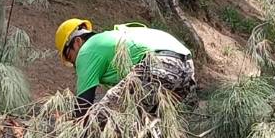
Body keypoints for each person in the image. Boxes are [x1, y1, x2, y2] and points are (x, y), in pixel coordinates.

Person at [55, 18, 195, 114]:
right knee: (149, 122)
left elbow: (83, 105)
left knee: (104, 116)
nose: (73, 64)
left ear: (77, 42)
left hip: (159, 63)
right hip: (186, 66)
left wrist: (71, 137)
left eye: (69, 57)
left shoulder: (87, 50)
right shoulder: (109, 41)